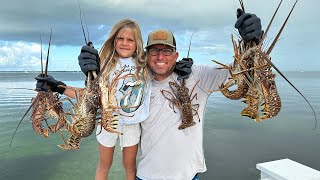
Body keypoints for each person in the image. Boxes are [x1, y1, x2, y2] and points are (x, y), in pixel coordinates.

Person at [78, 11, 262, 180]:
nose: (160, 57)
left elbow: (240, 73)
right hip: (146, 176)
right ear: (145, 54)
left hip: (187, 176)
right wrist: (90, 72)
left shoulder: (197, 76)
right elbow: (101, 95)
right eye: (154, 51)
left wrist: (251, 43)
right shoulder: (139, 81)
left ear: (176, 55)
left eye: (166, 51)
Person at [36, 19, 151, 180]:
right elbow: (89, 95)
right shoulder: (104, 64)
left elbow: (163, 68)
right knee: (104, 165)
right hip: (105, 121)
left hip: (132, 124)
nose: (125, 43)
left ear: (137, 43)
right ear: (113, 40)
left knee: (130, 167)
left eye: (130, 40)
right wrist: (58, 87)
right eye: (120, 38)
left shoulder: (145, 66)